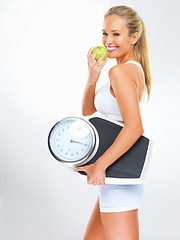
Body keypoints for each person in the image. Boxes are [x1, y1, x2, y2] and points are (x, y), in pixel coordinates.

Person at [74, 5, 152, 240]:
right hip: (116, 177)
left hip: (118, 179)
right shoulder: (127, 70)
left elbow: (135, 127)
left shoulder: (121, 73)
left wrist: (100, 166)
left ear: (133, 37)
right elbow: (89, 111)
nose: (108, 40)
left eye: (116, 34)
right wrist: (93, 75)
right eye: (105, 33)